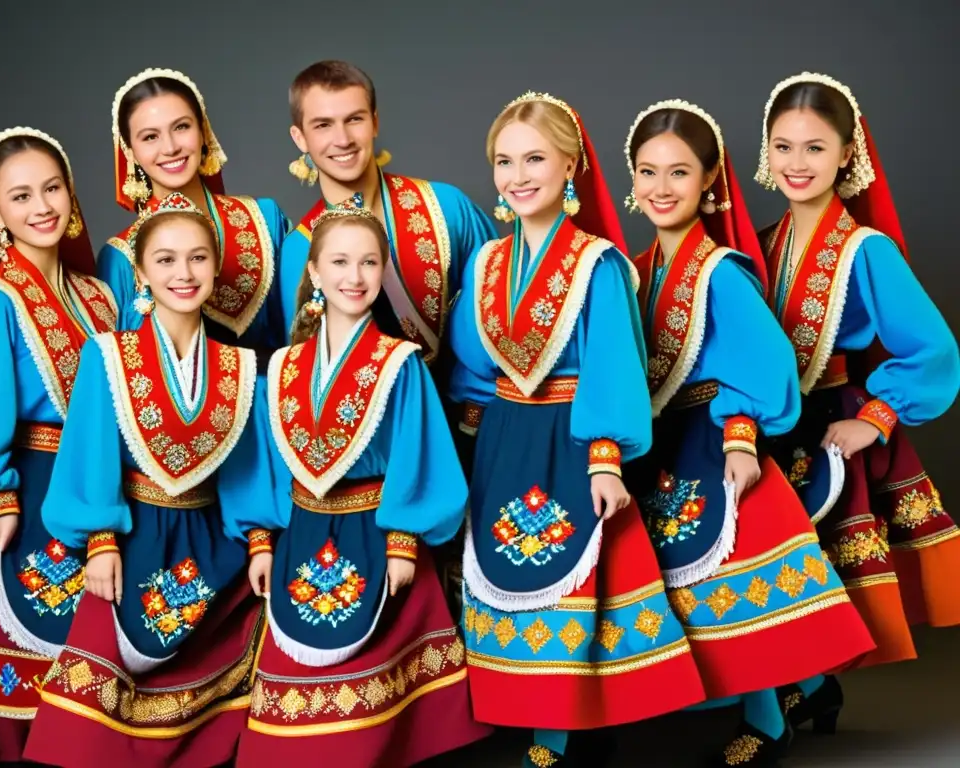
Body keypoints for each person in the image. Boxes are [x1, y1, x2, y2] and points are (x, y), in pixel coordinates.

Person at [451, 91, 708, 767]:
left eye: (534, 157)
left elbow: (614, 364)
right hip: (505, 438)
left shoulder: (598, 264)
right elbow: (472, 366)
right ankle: (525, 713)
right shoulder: (483, 265)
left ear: (571, 165)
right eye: (504, 161)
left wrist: (604, 456)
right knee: (506, 568)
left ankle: (562, 734)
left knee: (576, 577)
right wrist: (475, 435)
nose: (517, 174)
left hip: (573, 437)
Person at [622, 99, 875, 765]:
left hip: (713, 444)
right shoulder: (634, 271)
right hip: (662, 446)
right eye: (648, 172)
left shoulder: (721, 272)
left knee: (721, 589)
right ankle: (814, 688)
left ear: (709, 181)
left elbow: (766, 369)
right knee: (680, 588)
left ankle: (768, 721)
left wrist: (739, 437)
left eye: (679, 172)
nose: (661, 188)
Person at [219, 203, 490, 767]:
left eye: (370, 262)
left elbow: (420, 455)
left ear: (384, 269)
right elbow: (265, 462)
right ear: (314, 272)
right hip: (301, 537)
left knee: (382, 713)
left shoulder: (401, 362)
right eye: (340, 262)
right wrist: (261, 540)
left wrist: (402, 541)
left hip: (377, 533)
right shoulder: (282, 368)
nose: (356, 276)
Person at [22, 193, 263, 768]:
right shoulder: (108, 355)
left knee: (218, 683)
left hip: (210, 538)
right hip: (134, 537)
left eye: (199, 258)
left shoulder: (241, 364)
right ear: (140, 272)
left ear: (216, 265)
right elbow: (90, 454)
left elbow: (248, 466)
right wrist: (100, 543)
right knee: (97, 697)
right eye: (166, 260)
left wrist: (258, 541)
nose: (184, 273)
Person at [755, 71, 960, 734]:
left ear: (848, 153)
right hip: (768, 425)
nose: (796, 164)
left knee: (815, 562)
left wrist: (872, 419)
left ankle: (803, 693)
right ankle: (805, 689)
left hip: (827, 427)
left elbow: (930, 348)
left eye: (815, 148)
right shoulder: (762, 242)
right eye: (783, 147)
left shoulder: (865, 250)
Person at [277, 60, 499, 614]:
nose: (342, 139)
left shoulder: (445, 207)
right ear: (299, 138)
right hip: (376, 474)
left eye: (354, 119)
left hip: (480, 429)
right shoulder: (297, 250)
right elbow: (307, 376)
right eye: (323, 125)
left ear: (375, 122)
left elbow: (503, 306)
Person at [0, 128, 117, 761]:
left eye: (52, 188)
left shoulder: (99, 296)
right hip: (28, 495)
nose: (42, 207)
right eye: (21, 196)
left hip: (101, 488)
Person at [99, 67, 290, 355]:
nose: (171, 147)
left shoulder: (264, 219)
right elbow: (123, 365)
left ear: (203, 131)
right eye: (150, 137)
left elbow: (306, 331)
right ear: (130, 151)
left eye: (181, 127)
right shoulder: (122, 256)